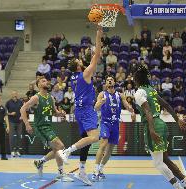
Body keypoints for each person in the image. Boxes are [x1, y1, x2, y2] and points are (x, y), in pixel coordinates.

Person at [134, 66, 186, 189]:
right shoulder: (151, 90)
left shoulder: (139, 92)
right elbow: (166, 104)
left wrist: (151, 130)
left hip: (153, 125)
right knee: (165, 159)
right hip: (162, 124)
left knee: (158, 163)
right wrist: (177, 119)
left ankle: (177, 186)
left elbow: (147, 111)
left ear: (137, 80)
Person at [57, 26, 103, 186]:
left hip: (79, 110)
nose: (79, 59)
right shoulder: (85, 74)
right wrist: (98, 35)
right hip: (86, 111)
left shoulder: (73, 78)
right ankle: (66, 151)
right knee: (95, 137)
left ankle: (82, 171)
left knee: (87, 140)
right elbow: (97, 55)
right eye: (78, 60)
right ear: (78, 66)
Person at [20, 77, 73, 182]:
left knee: (56, 149)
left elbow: (54, 112)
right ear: (38, 85)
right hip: (40, 127)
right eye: (43, 81)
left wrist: (60, 114)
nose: (46, 82)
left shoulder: (51, 98)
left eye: (46, 81)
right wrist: (27, 124)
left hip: (49, 126)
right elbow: (22, 109)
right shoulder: (36, 98)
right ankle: (61, 173)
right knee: (60, 146)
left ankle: (40, 162)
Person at [92, 76, 135, 181]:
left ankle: (101, 169)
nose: (109, 80)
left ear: (114, 82)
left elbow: (127, 106)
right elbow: (96, 107)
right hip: (105, 122)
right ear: (106, 83)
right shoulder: (102, 94)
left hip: (115, 123)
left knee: (110, 150)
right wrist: (101, 102)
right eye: (107, 80)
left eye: (111, 79)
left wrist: (132, 111)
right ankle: (95, 171)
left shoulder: (120, 95)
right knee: (103, 144)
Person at [5, 91, 24, 157]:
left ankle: (18, 151)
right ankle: (12, 151)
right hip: (11, 121)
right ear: (11, 95)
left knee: (19, 136)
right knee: (12, 137)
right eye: (13, 94)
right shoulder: (8, 102)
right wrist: (10, 114)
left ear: (17, 95)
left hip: (19, 122)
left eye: (16, 94)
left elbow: (23, 110)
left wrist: (22, 116)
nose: (15, 95)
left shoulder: (20, 102)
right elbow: (5, 113)